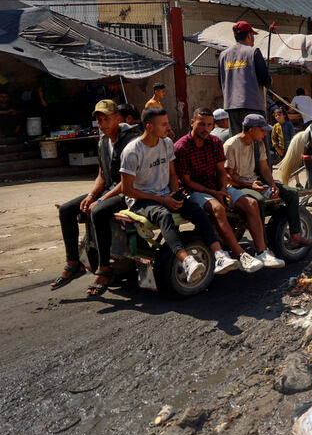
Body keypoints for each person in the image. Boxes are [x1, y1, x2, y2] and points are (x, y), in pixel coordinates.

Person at [120, 108, 230, 288]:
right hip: (140, 199)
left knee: (195, 209)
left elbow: (172, 174)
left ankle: (219, 254)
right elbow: (127, 190)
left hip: (165, 193)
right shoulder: (132, 151)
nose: (168, 127)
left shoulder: (166, 143)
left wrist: (174, 192)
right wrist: (163, 200)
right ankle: (187, 261)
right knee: (164, 215)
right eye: (163, 124)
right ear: (149, 126)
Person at [51, 99, 142, 294]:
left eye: (106, 119)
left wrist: (100, 200)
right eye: (99, 120)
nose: (102, 124)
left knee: (98, 212)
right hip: (109, 189)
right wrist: (92, 195)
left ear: (118, 118)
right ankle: (73, 263)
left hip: (129, 190)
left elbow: (128, 180)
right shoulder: (102, 141)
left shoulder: (132, 141)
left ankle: (104, 269)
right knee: (67, 210)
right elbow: (102, 174)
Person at [174, 108, 268, 273]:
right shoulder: (182, 147)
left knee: (252, 203)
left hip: (216, 187)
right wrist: (216, 194)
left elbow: (221, 171)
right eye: (201, 124)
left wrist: (223, 190)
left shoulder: (215, 142)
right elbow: (187, 183)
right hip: (194, 191)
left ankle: (262, 252)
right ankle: (240, 255)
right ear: (192, 123)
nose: (205, 128)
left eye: (209, 125)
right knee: (217, 208)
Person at [224, 114, 312, 252]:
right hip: (237, 186)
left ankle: (295, 235)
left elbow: (264, 168)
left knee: (291, 193)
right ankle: (264, 245)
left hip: (254, 182)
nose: (265, 133)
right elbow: (228, 176)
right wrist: (250, 186)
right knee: (258, 200)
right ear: (252, 130)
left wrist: (272, 185)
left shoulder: (258, 143)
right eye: (262, 130)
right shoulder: (231, 145)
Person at [219, 21, 271, 134]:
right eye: (252, 36)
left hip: (231, 107)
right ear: (249, 35)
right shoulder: (253, 52)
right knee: (256, 145)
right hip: (253, 107)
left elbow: (220, 82)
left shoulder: (223, 55)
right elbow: (265, 79)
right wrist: (269, 81)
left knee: (238, 143)